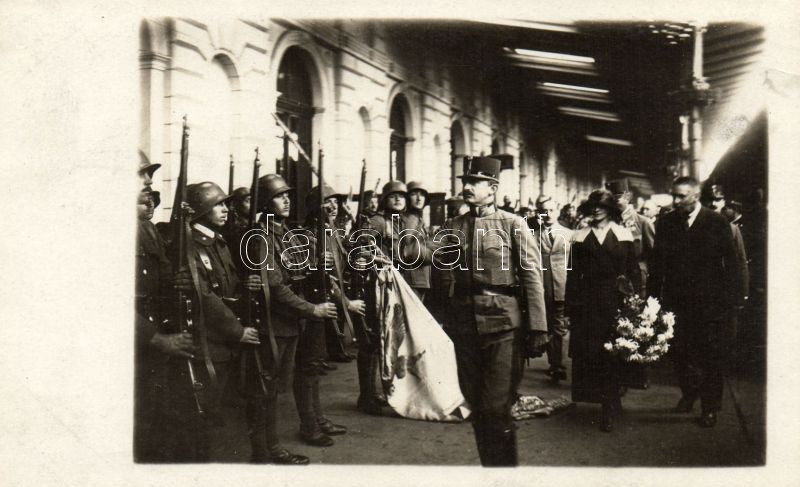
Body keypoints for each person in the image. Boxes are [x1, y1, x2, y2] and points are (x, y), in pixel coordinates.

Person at [424, 156, 548, 466]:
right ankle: (491, 470)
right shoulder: (453, 226)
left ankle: (504, 472)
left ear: (492, 188)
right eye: (465, 182)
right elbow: (429, 252)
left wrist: (539, 327)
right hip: (464, 326)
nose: (466, 187)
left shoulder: (512, 224)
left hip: (503, 326)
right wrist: (398, 249)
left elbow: (532, 276)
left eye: (474, 182)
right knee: (477, 406)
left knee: (495, 406)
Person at [244, 174, 338, 463]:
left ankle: (268, 448)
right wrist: (312, 310)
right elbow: (275, 286)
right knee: (265, 389)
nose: (286, 200)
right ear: (264, 202)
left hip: (288, 323)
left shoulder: (284, 233)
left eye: (287, 195)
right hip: (273, 324)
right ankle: (267, 449)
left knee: (273, 388)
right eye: (278, 196)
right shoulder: (260, 237)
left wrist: (318, 265)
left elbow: (299, 271)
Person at [166, 181, 262, 461]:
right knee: (204, 413)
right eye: (218, 205)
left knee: (219, 409)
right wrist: (237, 331)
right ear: (201, 210)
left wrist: (245, 286)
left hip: (223, 341)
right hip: (209, 341)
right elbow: (204, 297)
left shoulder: (217, 241)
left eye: (225, 204)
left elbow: (225, 286)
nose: (225, 209)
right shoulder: (190, 245)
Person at [647, 176, 742, 428]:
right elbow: (657, 265)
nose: (676, 200)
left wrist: (731, 301)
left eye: (681, 196)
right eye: (674, 195)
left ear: (696, 195)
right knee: (679, 352)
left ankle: (710, 407)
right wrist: (652, 300)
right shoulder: (666, 223)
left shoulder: (716, 222)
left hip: (710, 304)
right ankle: (689, 393)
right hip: (676, 303)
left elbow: (731, 263)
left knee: (711, 356)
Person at [134, 155, 196, 462]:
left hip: (152, 342)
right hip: (136, 344)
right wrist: (156, 338)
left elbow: (161, 279)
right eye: (140, 174)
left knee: (157, 419)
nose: (148, 181)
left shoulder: (145, 227)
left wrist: (176, 281)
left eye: (149, 175)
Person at [566, 189, 641, 432]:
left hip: (615, 301)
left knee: (613, 353)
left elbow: (633, 270)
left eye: (602, 206)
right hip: (587, 304)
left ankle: (610, 404)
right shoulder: (580, 236)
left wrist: (636, 301)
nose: (597, 210)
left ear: (610, 210)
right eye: (593, 206)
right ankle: (606, 400)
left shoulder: (623, 234)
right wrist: (570, 307)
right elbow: (572, 275)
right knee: (593, 355)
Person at [297, 183, 365, 447]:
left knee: (314, 366)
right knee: (308, 368)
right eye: (327, 202)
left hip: (324, 308)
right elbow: (324, 278)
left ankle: (318, 419)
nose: (333, 206)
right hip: (311, 307)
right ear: (315, 207)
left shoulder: (331, 232)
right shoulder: (309, 236)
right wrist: (346, 303)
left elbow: (340, 264)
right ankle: (309, 425)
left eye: (335, 201)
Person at [534, 195, 573, 384]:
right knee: (547, 325)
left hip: (562, 285)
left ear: (557, 212)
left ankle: (559, 365)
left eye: (551, 210)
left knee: (560, 325)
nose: (548, 214)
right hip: (541, 286)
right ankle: (553, 362)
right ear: (538, 213)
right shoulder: (532, 235)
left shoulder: (570, 235)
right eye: (544, 211)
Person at [606, 178, 655, 297]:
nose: (613, 203)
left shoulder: (643, 222)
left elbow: (654, 255)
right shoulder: (608, 223)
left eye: (617, 198)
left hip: (637, 279)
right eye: (610, 199)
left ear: (627, 197)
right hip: (613, 279)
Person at [404, 181, 432, 302]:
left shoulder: (418, 218)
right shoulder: (411, 219)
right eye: (414, 194)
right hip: (413, 279)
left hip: (419, 278)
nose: (419, 198)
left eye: (422, 195)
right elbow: (409, 249)